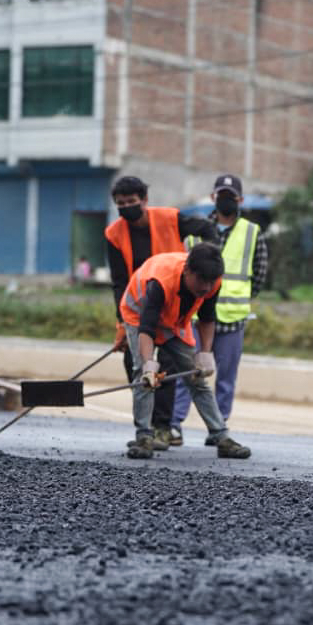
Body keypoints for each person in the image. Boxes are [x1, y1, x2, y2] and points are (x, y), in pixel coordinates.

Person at [105, 175, 217, 450]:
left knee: (168, 364)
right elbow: (119, 280)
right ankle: (145, 430)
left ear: (144, 200)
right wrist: (122, 324)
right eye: (121, 204)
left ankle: (163, 428)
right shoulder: (114, 234)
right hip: (138, 304)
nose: (127, 207)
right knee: (140, 365)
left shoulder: (170, 218)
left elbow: (207, 228)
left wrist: (210, 258)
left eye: (132, 202)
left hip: (173, 300)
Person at [119, 243, 251, 460]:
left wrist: (205, 354)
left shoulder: (212, 281)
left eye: (211, 282)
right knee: (143, 376)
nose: (206, 287)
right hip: (138, 316)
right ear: (187, 271)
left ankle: (221, 437)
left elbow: (207, 318)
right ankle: (144, 436)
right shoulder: (160, 281)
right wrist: (149, 365)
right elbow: (147, 327)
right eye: (202, 280)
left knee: (196, 377)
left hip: (175, 322)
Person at [170, 174, 268, 446]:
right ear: (213, 198)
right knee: (187, 371)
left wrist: (242, 297)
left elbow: (259, 274)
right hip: (196, 315)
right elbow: (183, 266)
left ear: (240, 200)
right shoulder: (197, 230)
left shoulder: (252, 232)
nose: (226, 200)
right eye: (221, 195)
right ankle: (175, 424)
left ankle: (218, 426)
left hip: (232, 318)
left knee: (225, 377)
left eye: (231, 196)